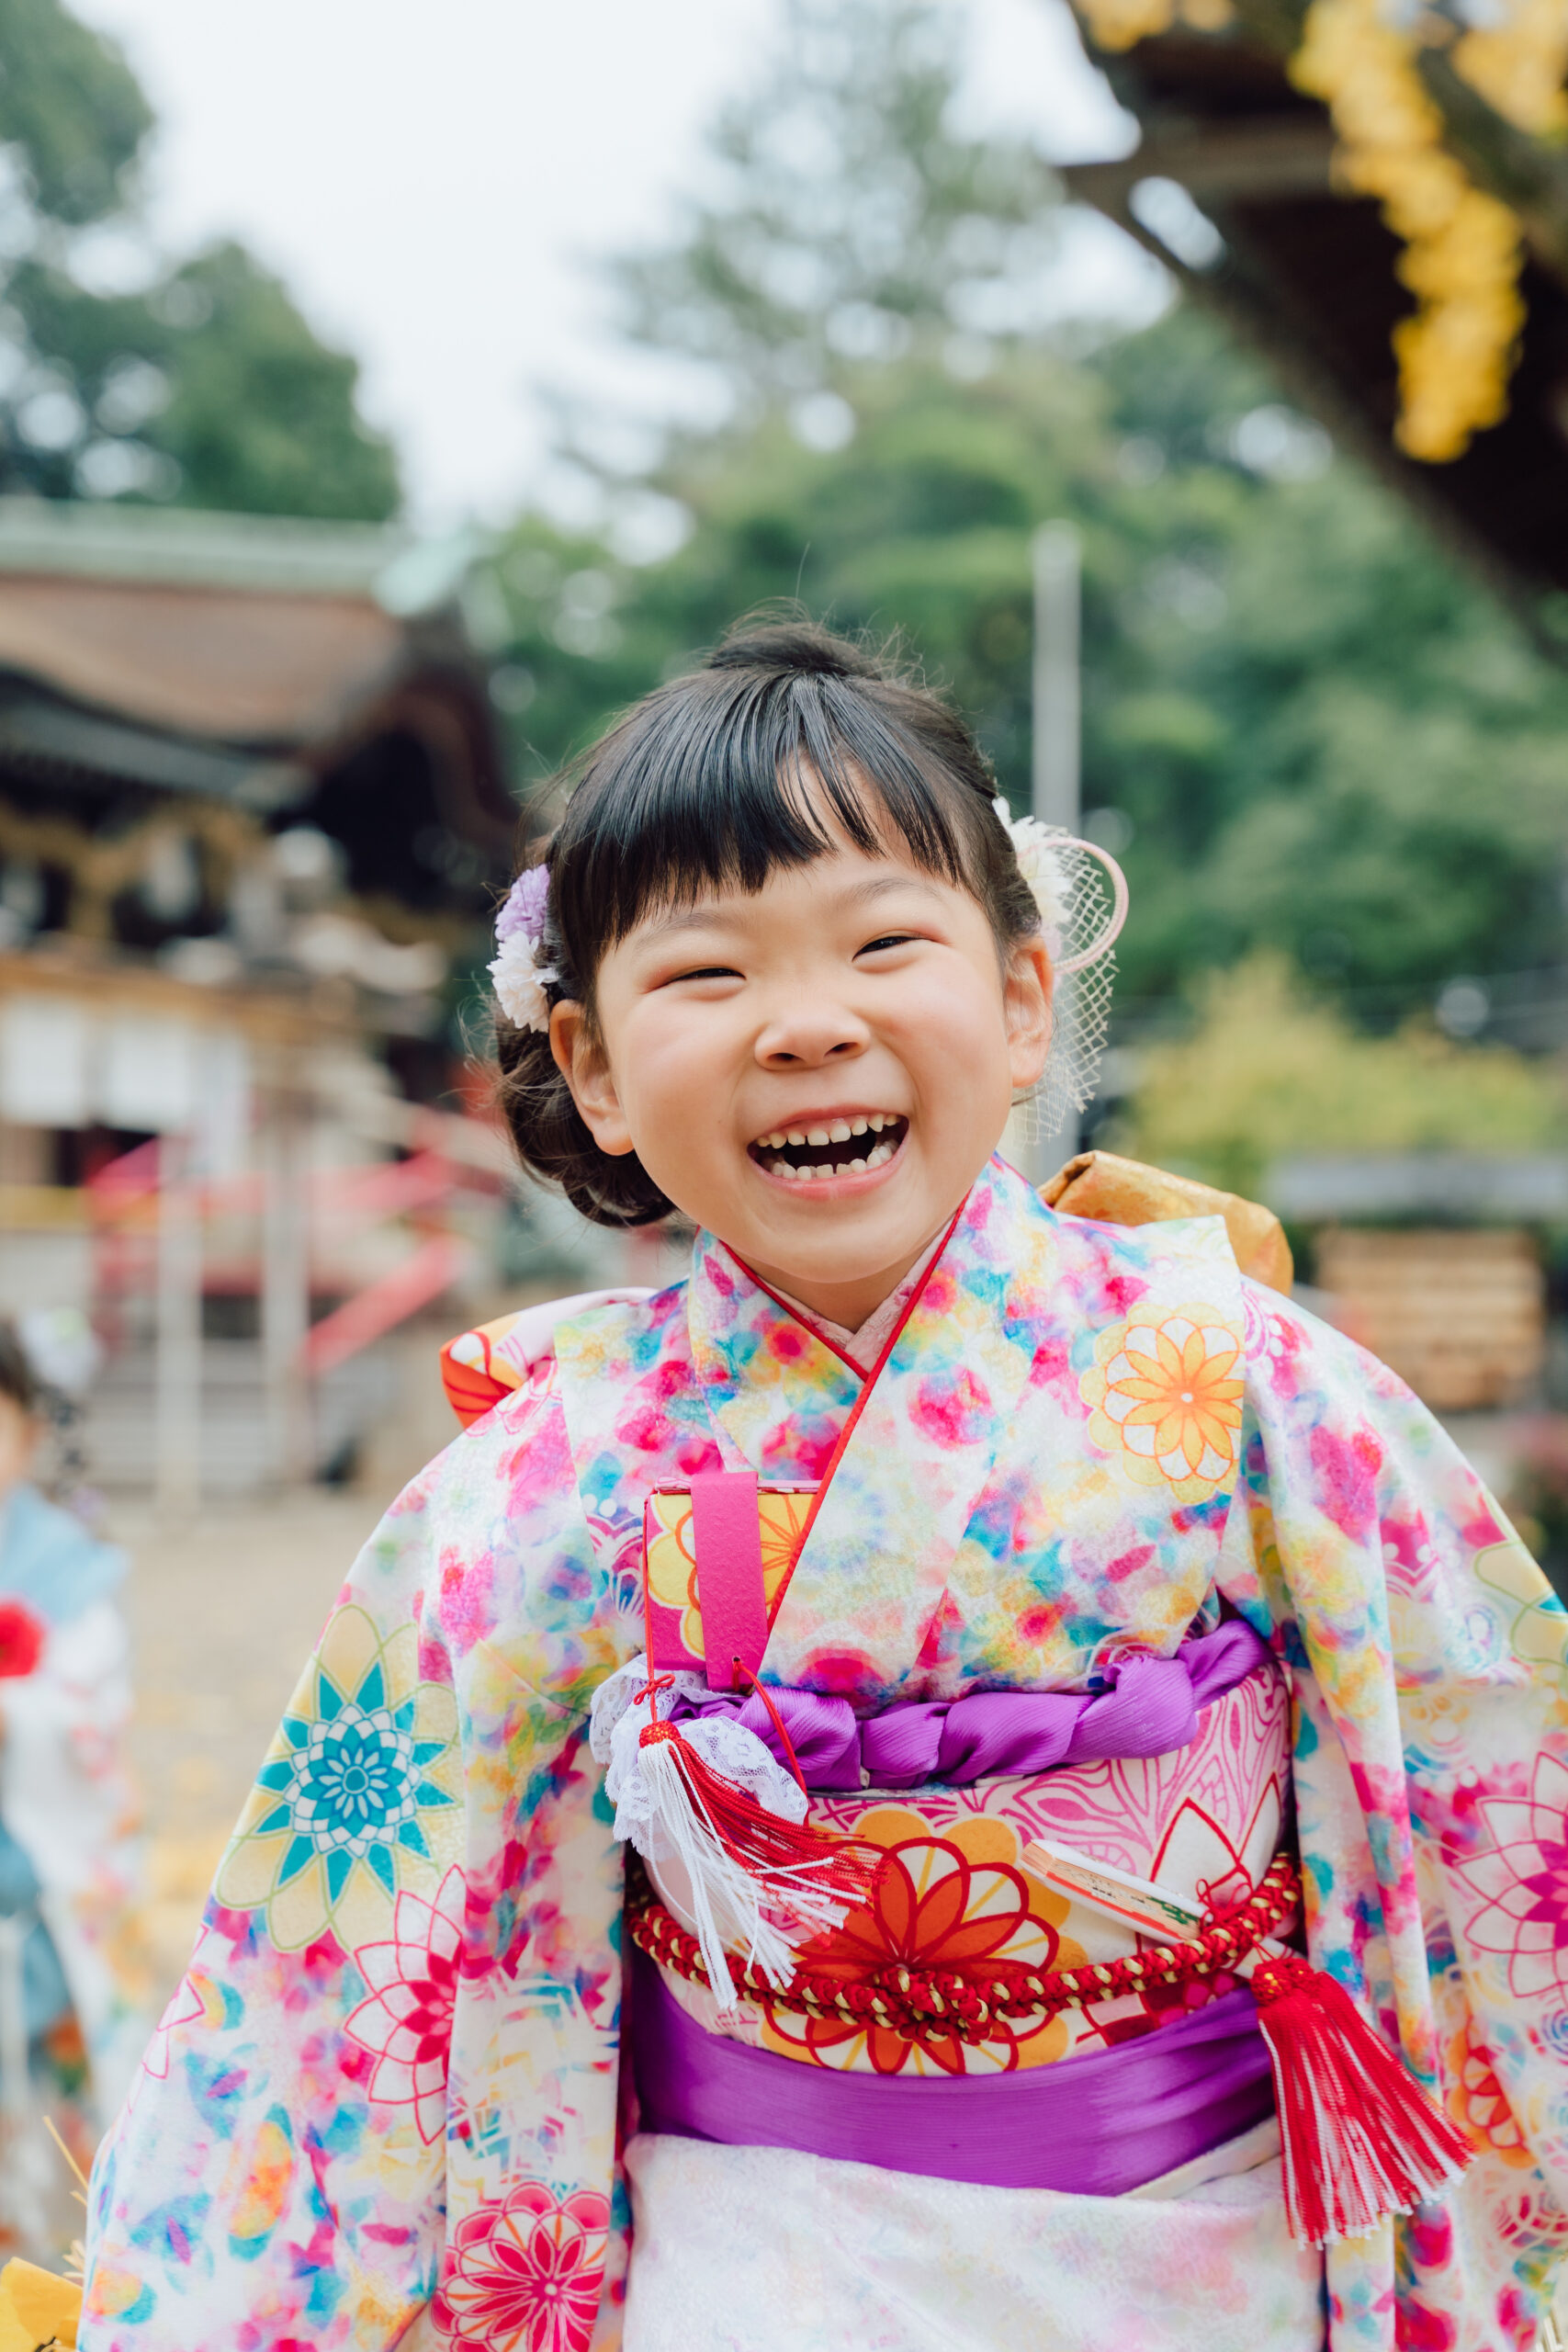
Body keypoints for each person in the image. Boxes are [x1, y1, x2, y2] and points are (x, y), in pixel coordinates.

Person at [78, 623, 1568, 2350]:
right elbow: (358, 1936)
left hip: (1201, 2251)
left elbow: (1492, 1776)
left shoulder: (1241, 1384)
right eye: (707, 978)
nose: (804, 1026)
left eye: (880, 944)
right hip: (753, 2261)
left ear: (1020, 1003)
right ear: (598, 1071)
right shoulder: (550, 1476)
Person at [0, 1321, 141, 2257]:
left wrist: (23, 1711)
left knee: (75, 2087)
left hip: (43, 1889)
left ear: (28, 1431)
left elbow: (97, 1704)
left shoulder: (64, 1567)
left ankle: (86, 2266)